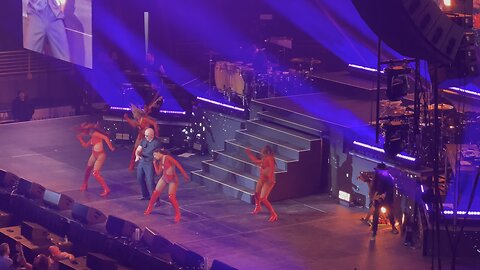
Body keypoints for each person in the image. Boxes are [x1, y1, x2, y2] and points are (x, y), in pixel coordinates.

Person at [144, 148, 189, 223]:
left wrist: (185, 175)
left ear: (158, 153)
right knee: (155, 193)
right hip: (164, 178)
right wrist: (155, 164)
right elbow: (158, 173)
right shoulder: (160, 161)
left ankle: (177, 214)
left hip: (172, 179)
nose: (154, 157)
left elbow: (177, 165)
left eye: (155, 155)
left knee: (171, 197)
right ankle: (149, 208)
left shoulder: (167, 157)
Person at [76, 122, 115, 196]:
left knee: (95, 173)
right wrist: (80, 139)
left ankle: (106, 189)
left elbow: (105, 138)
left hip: (100, 156)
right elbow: (85, 145)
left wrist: (111, 147)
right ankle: (85, 184)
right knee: (88, 169)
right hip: (94, 155)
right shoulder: (92, 137)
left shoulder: (95, 134)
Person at [245, 145, 278, 222]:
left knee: (263, 198)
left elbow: (272, 168)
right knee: (256, 194)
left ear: (266, 151)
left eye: (262, 151)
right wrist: (249, 153)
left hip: (268, 181)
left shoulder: (270, 158)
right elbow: (255, 161)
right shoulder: (264, 158)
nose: (261, 152)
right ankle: (258, 206)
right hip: (262, 179)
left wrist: (269, 178)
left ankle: (273, 214)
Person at [124, 104, 159, 171]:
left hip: (146, 138)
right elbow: (134, 125)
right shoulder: (139, 120)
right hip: (140, 137)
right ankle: (132, 166)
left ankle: (153, 166)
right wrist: (127, 119)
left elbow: (154, 123)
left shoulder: (144, 119)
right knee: (135, 151)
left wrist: (157, 134)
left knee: (147, 153)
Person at [370, 163, 399, 241]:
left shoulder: (389, 178)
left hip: (387, 199)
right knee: (376, 214)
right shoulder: (376, 177)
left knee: (390, 213)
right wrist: (375, 196)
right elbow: (374, 187)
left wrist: (384, 195)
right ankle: (374, 231)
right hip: (378, 198)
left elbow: (390, 189)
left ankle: (393, 227)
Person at [135, 128, 161, 201]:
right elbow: (138, 149)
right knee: (140, 179)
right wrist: (137, 155)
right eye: (145, 135)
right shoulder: (144, 140)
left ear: (152, 135)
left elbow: (160, 154)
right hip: (142, 161)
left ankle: (156, 199)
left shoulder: (157, 143)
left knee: (150, 182)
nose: (145, 137)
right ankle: (145, 195)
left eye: (147, 136)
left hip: (150, 163)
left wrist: (157, 162)